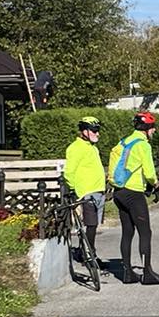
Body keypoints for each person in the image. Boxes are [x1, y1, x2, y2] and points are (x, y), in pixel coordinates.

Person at [108, 112, 159, 286]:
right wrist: (156, 184)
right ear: (147, 129)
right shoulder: (143, 145)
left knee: (127, 232)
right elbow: (149, 173)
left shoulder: (124, 142)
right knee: (145, 232)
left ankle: (127, 273)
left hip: (119, 191)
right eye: (153, 128)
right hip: (133, 193)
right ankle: (148, 273)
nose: (154, 130)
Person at [61, 115, 109, 273]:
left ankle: (88, 253)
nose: (98, 133)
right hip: (85, 193)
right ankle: (89, 256)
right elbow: (69, 172)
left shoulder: (92, 148)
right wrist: (74, 190)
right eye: (94, 130)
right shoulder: (75, 148)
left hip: (97, 192)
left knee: (93, 226)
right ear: (84, 131)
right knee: (91, 224)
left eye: (98, 130)